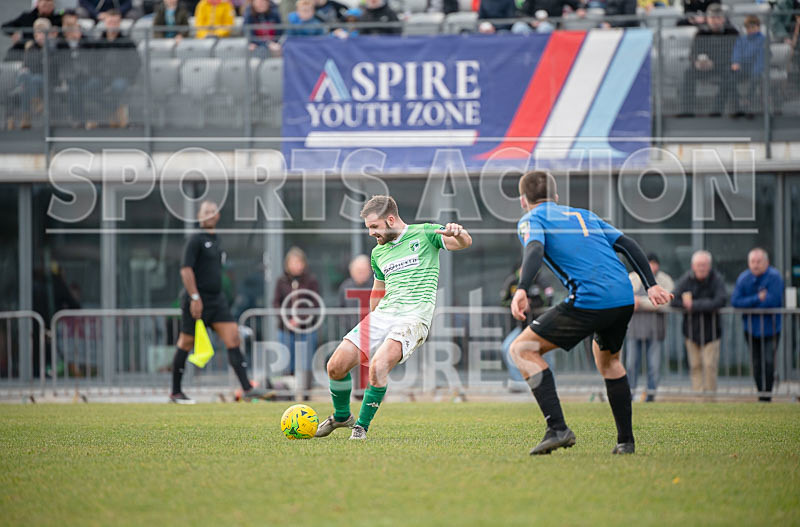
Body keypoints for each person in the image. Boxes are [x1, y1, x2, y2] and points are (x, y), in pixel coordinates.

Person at [508, 171, 673, 455]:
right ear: (556, 198)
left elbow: (534, 248)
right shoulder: (583, 215)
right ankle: (625, 442)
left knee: (522, 350)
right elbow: (627, 244)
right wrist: (651, 284)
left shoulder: (531, 219)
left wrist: (522, 288)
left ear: (523, 201)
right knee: (608, 361)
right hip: (623, 299)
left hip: (591, 299)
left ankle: (557, 428)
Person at [315, 195, 472, 440]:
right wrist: (370, 323)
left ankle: (361, 427)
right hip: (383, 315)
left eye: (374, 227)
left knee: (378, 367)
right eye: (368, 228)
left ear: (390, 220)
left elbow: (463, 243)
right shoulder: (378, 253)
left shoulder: (426, 232)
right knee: (335, 366)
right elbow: (378, 289)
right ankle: (342, 416)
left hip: (413, 317)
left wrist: (457, 232)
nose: (370, 233)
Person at [170, 200, 269, 404]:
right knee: (186, 342)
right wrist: (195, 297)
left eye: (213, 211)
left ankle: (247, 388)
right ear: (199, 216)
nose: (209, 214)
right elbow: (185, 270)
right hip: (196, 300)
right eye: (205, 211)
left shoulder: (216, 240)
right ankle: (175, 392)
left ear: (218, 216)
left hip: (217, 301)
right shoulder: (195, 239)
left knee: (233, 337)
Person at [731, 248, 784, 402]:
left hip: (771, 329)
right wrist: (756, 299)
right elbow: (735, 301)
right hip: (751, 329)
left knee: (768, 362)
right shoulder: (744, 278)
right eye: (752, 262)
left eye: (759, 261)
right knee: (756, 364)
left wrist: (749, 306)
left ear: (766, 262)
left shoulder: (775, 277)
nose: (755, 265)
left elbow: (772, 302)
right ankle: (761, 394)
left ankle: (768, 395)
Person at [670, 250, 727, 394]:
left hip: (712, 332)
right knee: (695, 367)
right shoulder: (686, 280)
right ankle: (698, 399)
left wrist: (694, 305)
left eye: (704, 265)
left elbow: (720, 301)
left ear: (709, 266)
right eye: (698, 265)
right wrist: (685, 305)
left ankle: (710, 399)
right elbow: (673, 300)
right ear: (693, 266)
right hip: (691, 332)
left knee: (709, 366)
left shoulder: (717, 279)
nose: (701, 268)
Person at [625, 253, 674, 402]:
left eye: (653, 263)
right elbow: (626, 299)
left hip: (655, 330)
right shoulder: (632, 278)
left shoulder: (665, 280)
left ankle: (651, 395)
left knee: (654, 366)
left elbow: (665, 302)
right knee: (631, 364)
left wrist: (640, 302)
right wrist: (650, 303)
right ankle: (629, 394)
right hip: (634, 329)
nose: (651, 267)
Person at [679, 3, 739, 117]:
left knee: (729, 74)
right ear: (707, 19)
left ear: (723, 19)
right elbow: (693, 53)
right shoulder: (701, 33)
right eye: (712, 18)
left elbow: (735, 55)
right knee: (688, 73)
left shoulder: (732, 33)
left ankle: (717, 110)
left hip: (724, 66)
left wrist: (715, 63)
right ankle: (687, 110)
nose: (715, 21)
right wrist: (696, 62)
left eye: (718, 18)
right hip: (704, 67)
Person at [500, 265, 553, 390]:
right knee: (508, 348)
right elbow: (503, 301)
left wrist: (531, 304)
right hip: (521, 327)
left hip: (540, 326)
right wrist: (518, 305)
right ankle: (520, 382)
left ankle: (548, 384)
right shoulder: (512, 281)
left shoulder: (540, 280)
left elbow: (549, 299)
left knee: (546, 354)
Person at [273, 247, 320, 380]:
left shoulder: (311, 281)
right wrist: (288, 320)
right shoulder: (281, 281)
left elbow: (315, 303)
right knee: (287, 361)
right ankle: (288, 391)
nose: (296, 266)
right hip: (286, 329)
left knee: (306, 361)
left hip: (307, 328)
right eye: (293, 263)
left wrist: (301, 319)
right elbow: (276, 303)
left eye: (299, 262)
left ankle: (305, 390)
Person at [87, 10, 140, 128]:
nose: (112, 25)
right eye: (110, 22)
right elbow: (92, 62)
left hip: (121, 76)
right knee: (90, 87)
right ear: (105, 23)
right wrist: (97, 73)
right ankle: (115, 112)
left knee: (118, 87)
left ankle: (108, 115)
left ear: (119, 23)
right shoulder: (99, 42)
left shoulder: (127, 42)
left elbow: (135, 63)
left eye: (115, 22)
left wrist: (125, 75)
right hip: (101, 76)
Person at [731, 15, 766, 117]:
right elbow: (737, 52)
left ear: (758, 27)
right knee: (730, 78)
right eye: (748, 28)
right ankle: (737, 102)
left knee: (755, 78)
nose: (751, 30)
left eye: (753, 27)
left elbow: (761, 57)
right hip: (743, 66)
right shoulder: (742, 39)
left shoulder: (763, 40)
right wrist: (736, 62)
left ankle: (748, 101)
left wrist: (756, 71)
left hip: (757, 67)